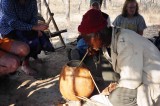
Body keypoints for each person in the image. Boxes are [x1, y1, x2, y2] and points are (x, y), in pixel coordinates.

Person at [78, 9, 160, 106]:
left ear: (98, 35)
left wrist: (116, 89)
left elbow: (132, 81)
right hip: (141, 78)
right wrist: (96, 48)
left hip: (152, 84)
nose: (88, 45)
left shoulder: (126, 43)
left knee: (116, 98)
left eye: (88, 42)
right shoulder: (112, 39)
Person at [0, 0, 54, 75]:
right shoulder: (7, 1)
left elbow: (34, 16)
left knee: (41, 37)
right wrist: (34, 28)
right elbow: (13, 23)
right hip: (10, 29)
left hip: (27, 26)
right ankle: (25, 64)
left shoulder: (32, 1)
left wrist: (36, 29)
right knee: (28, 40)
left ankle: (34, 56)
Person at [68, 0, 112, 88]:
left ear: (100, 7)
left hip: (99, 38)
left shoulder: (105, 16)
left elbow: (107, 30)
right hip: (87, 37)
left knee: (99, 45)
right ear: (90, 7)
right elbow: (82, 30)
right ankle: (78, 54)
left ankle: (96, 53)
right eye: (93, 6)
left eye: (97, 6)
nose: (95, 8)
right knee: (81, 43)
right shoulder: (86, 16)